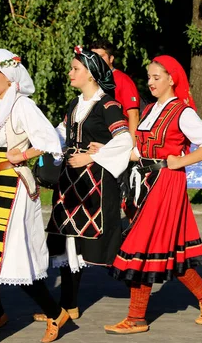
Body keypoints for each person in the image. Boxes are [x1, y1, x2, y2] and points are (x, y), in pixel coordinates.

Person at [104, 55, 202, 334]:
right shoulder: (148, 111)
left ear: (172, 79)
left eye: (157, 77)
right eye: (149, 77)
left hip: (167, 183)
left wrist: (181, 161)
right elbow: (140, 149)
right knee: (162, 249)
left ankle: (136, 318)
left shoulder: (183, 111)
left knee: (140, 245)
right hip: (144, 183)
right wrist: (105, 153)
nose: (151, 82)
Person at [0, 49, 67, 343]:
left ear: (8, 76)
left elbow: (50, 140)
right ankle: (55, 311)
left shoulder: (22, 105)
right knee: (4, 259)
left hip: (13, 187)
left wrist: (22, 154)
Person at [36, 46, 132, 323]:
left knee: (104, 247)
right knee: (69, 243)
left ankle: (141, 296)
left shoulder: (108, 105)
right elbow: (60, 135)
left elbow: (125, 141)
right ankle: (69, 305)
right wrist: (36, 144)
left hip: (96, 186)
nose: (70, 73)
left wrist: (92, 155)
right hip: (70, 183)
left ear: (91, 75)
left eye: (75, 68)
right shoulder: (75, 105)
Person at [90, 40, 141, 142]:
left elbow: (134, 114)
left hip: (118, 139)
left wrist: (132, 146)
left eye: (101, 57)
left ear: (111, 58)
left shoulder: (123, 80)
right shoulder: (92, 81)